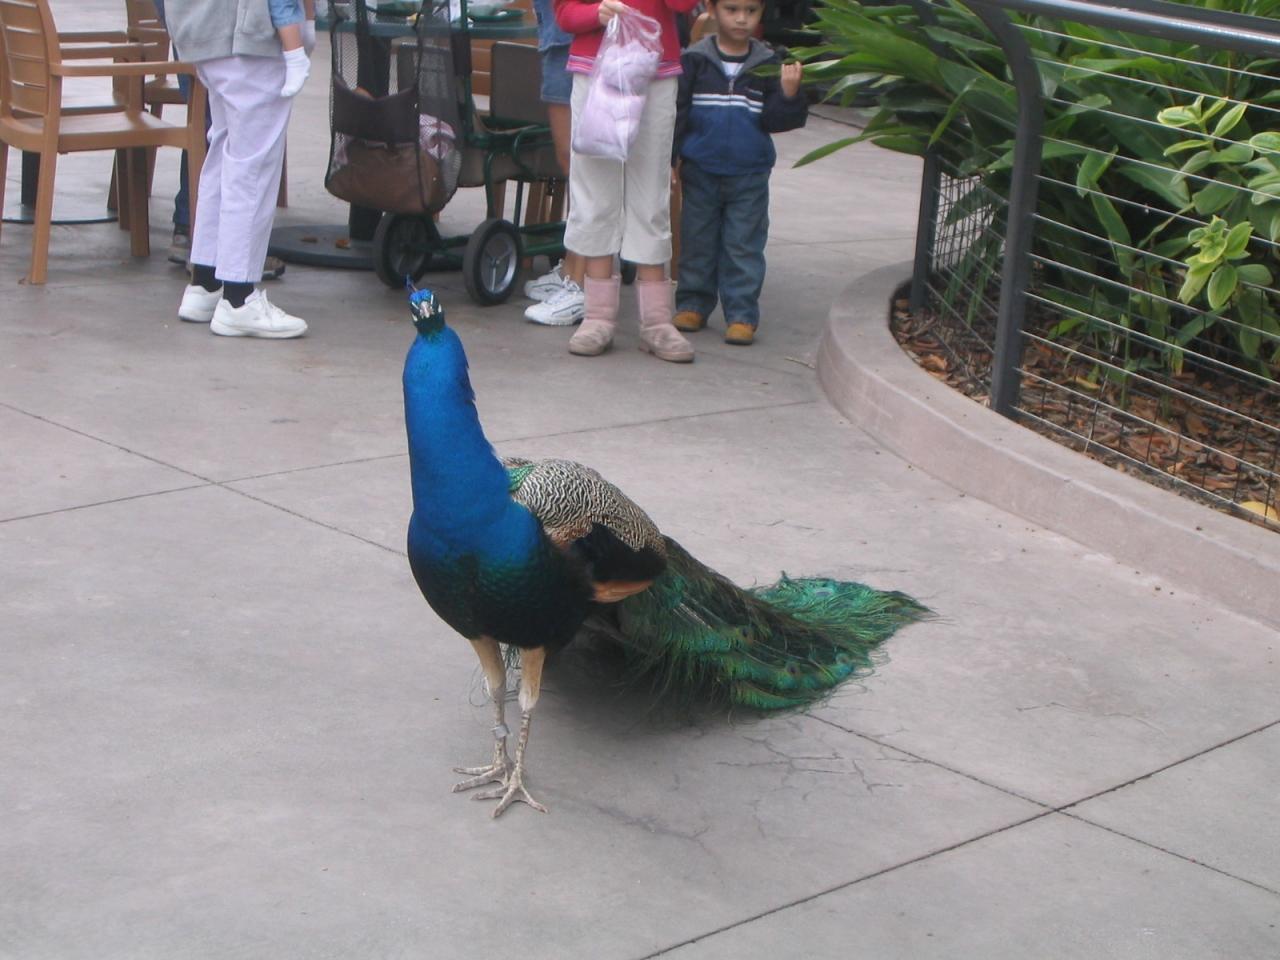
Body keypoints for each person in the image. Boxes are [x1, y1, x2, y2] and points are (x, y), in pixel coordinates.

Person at [554, 0, 701, 362]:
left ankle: (656, 322)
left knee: (650, 195)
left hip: (656, 71)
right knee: (595, 194)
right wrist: (596, 14)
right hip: (594, 71)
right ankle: (597, 317)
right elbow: (564, 14)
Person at [164, 0, 314, 338]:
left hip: (201, 30)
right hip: (247, 33)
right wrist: (296, 46)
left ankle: (205, 284)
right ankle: (238, 298)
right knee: (253, 166)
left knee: (223, 153)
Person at [672, 0, 806, 346]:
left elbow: (775, 121)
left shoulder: (768, 63)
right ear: (713, 10)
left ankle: (742, 313)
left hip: (749, 172)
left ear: (762, 13)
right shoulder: (695, 59)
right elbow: (679, 113)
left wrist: (789, 95)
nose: (741, 18)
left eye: (751, 10)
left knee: (744, 245)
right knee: (697, 239)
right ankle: (692, 304)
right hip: (700, 168)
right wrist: (672, 158)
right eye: (732, 9)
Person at [155, 0, 290, 282]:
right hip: (241, 28)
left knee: (220, 142)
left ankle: (205, 278)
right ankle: (237, 291)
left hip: (198, 26)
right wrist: (299, 39)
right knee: (250, 160)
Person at [523, 0, 589, 326]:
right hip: (556, 35)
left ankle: (580, 280)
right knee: (569, 161)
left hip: (584, 36)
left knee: (583, 166)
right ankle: (570, 269)